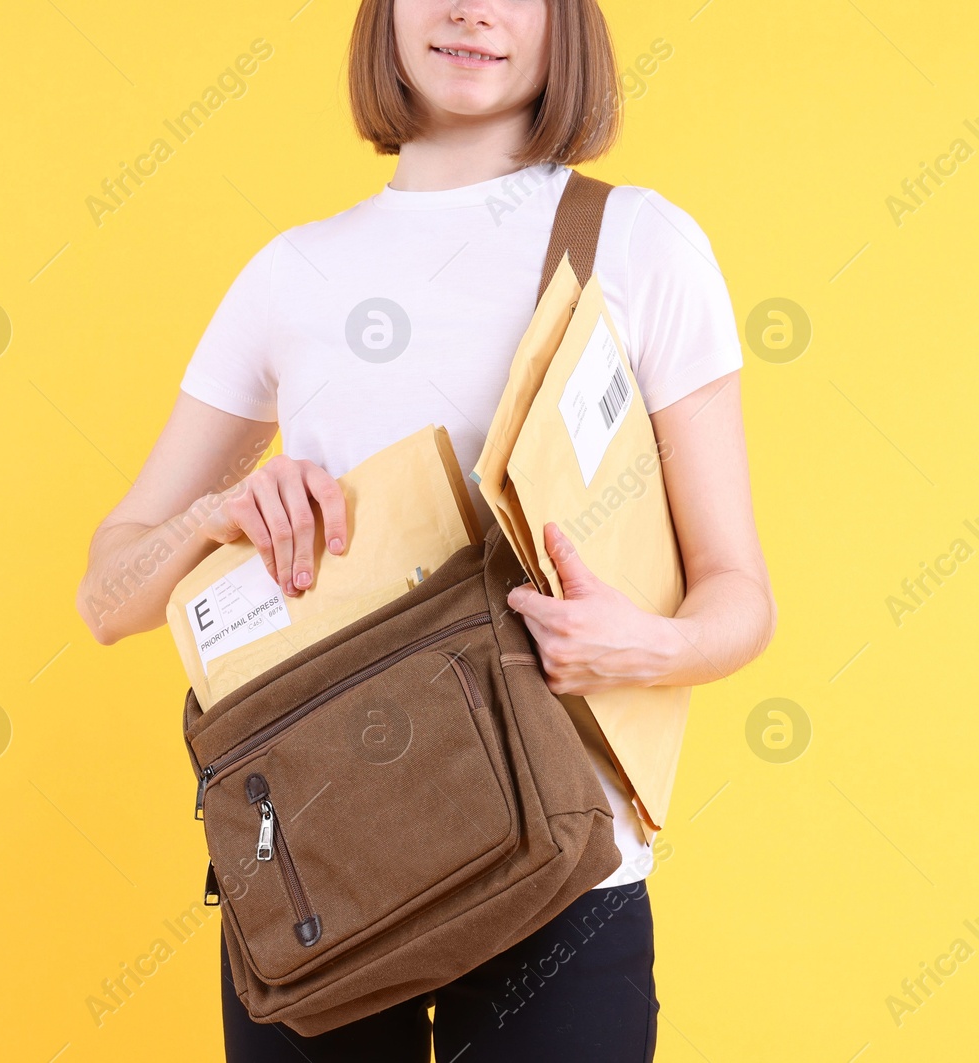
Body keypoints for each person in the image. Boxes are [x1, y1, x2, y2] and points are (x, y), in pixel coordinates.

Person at [75, 0, 777, 1058]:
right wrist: (217, 515)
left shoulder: (636, 244)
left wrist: (652, 644)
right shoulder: (289, 276)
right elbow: (104, 600)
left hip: (561, 864)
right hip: (323, 875)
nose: (469, 11)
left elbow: (739, 592)